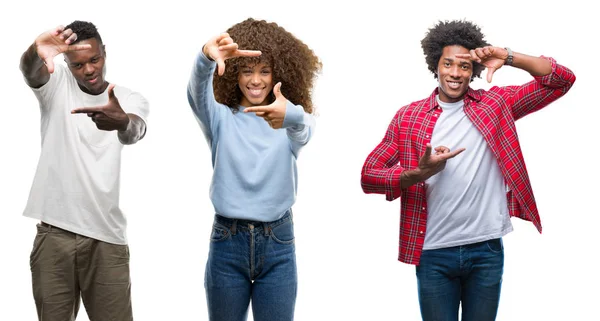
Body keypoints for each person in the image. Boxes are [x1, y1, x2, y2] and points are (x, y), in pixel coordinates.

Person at [360, 19, 575, 321]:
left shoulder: (495, 104)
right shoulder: (407, 117)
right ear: (435, 65)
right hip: (434, 253)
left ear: (472, 71)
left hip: (485, 250)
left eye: (463, 67)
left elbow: (562, 80)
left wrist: (509, 57)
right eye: (448, 64)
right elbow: (369, 175)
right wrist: (416, 174)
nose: (455, 74)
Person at [187, 18, 321, 321]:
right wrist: (205, 58)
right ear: (234, 74)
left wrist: (290, 115)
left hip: (278, 241)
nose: (256, 80)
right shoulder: (220, 118)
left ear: (279, 74)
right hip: (227, 241)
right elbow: (196, 94)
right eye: (247, 71)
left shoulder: (287, 122)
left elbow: (306, 127)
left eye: (264, 71)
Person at [20, 20, 149, 321]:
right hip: (54, 236)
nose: (89, 69)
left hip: (107, 239)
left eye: (95, 59)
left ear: (105, 52)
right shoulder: (57, 85)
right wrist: (34, 52)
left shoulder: (128, 98)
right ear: (66, 63)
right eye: (78, 64)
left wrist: (122, 123)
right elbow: (30, 71)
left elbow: (135, 130)